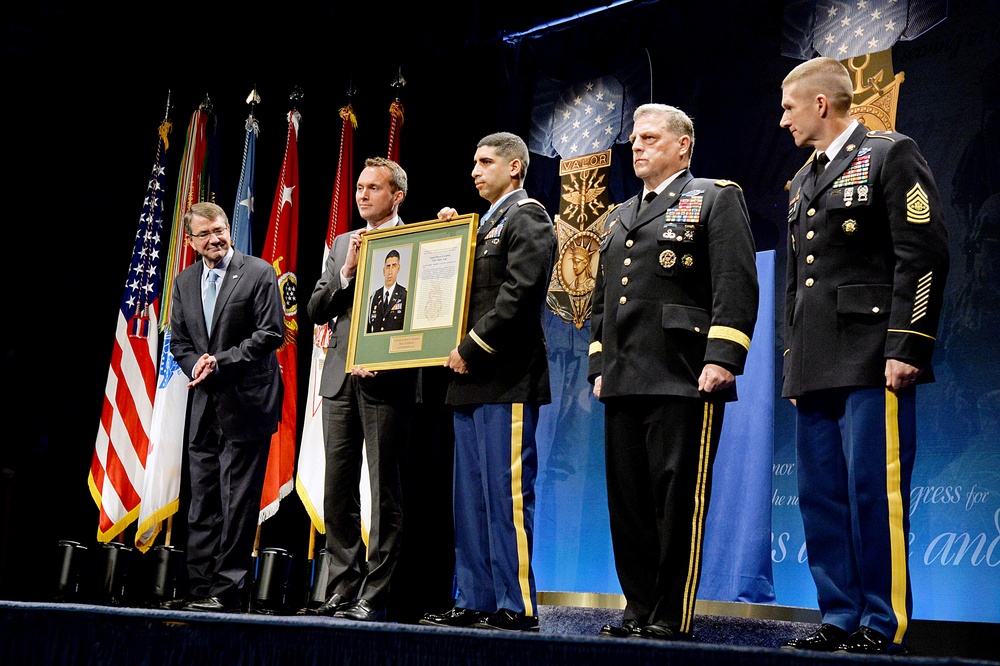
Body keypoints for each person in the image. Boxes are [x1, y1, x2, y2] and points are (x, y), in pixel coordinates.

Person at [778, 57, 949, 655]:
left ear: (821, 104)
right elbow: (798, 282)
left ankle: (882, 621)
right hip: (817, 361)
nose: (782, 120)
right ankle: (839, 615)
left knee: (873, 491)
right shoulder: (803, 180)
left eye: (789, 108)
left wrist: (908, 344)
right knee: (821, 496)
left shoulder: (889, 153)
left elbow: (921, 253)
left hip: (873, 355)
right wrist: (791, 363)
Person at [587, 103, 759, 641]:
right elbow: (601, 302)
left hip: (683, 374)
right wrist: (599, 365)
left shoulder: (714, 197)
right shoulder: (618, 216)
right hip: (623, 377)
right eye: (634, 139)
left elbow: (735, 283)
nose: (637, 146)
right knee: (629, 504)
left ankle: (669, 614)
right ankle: (636, 608)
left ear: (683, 145)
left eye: (650, 138)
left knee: (675, 502)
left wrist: (722, 357)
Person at [418, 132, 556, 632]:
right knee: (471, 500)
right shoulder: (481, 226)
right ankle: (474, 598)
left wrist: (471, 348)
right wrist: (448, 241)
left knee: (507, 495)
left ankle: (515, 605)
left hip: (505, 376)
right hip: (469, 380)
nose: (474, 170)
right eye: (472, 162)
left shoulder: (528, 216)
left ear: (515, 168)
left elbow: (518, 296)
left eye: (485, 162)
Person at [304, 156, 416, 622]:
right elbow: (315, 308)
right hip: (339, 380)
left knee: (384, 489)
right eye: (359, 187)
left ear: (396, 196)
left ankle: (376, 592)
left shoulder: (417, 241)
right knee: (337, 490)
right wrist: (346, 271)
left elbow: (420, 317)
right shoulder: (343, 243)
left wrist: (384, 360)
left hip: (385, 382)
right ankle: (342, 586)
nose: (363, 194)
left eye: (374, 188)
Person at [166, 201, 285, 612]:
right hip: (203, 406)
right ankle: (199, 588)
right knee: (202, 502)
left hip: (247, 404)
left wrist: (222, 360)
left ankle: (227, 589)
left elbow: (272, 333)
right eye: (205, 234)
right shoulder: (183, 283)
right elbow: (180, 342)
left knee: (237, 503)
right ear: (191, 241)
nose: (216, 238)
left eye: (220, 229)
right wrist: (193, 362)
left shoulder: (258, 272)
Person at [366, 249, 407, 333]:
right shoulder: (374, 297)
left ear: (398, 269)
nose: (390, 272)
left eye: (394, 266)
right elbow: (368, 328)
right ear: (384, 270)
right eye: (388, 266)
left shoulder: (404, 295)